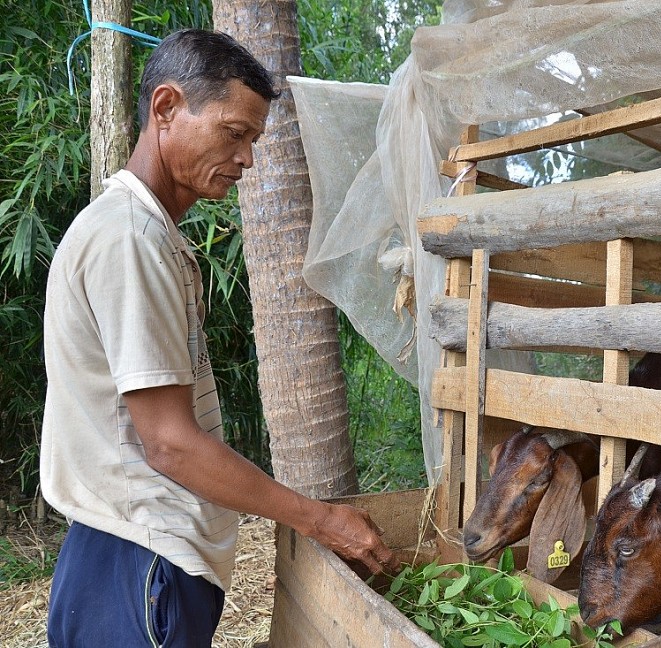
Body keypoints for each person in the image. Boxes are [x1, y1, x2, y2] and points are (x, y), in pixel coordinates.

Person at [41, 28, 398, 647]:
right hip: (139, 557)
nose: (248, 160)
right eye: (235, 133)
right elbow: (171, 445)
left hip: (120, 552)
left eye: (254, 140)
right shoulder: (132, 239)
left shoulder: (142, 232)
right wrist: (320, 520)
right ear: (166, 109)